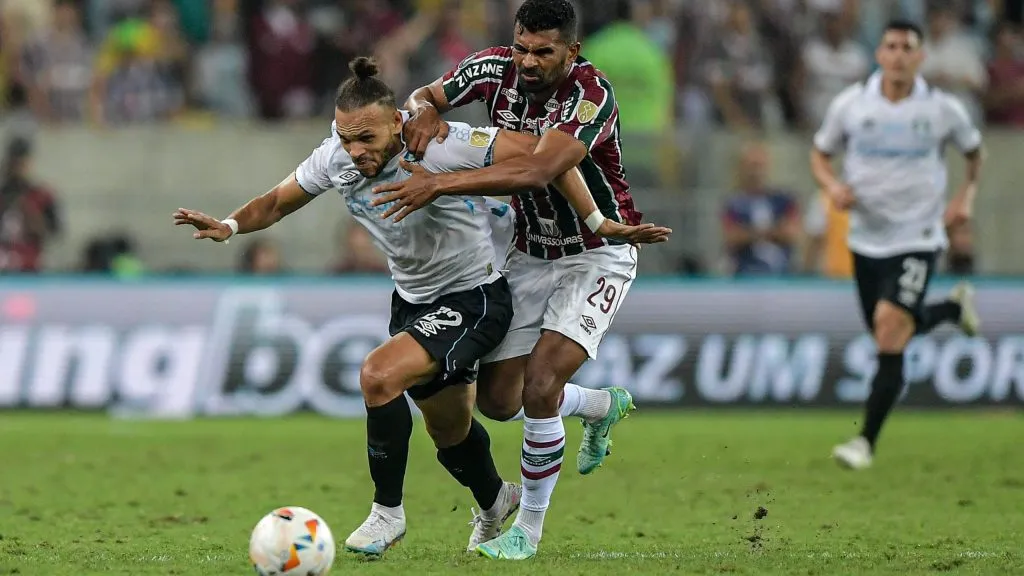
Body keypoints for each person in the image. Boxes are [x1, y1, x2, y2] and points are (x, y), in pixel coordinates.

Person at [173, 56, 665, 557]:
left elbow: (545, 160)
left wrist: (597, 219)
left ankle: (387, 514)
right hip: (412, 302)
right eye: (346, 138)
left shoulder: (445, 144)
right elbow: (277, 201)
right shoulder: (335, 160)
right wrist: (230, 227)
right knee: (456, 425)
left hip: (475, 297)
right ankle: (500, 499)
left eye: (366, 139)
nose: (355, 151)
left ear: (396, 122)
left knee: (378, 375)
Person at [372, 0, 672, 559]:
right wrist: (424, 111)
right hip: (529, 252)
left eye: (543, 52)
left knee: (538, 386)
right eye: (522, 49)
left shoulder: (591, 95)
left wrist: (440, 184)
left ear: (571, 51)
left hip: (598, 250)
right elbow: (423, 96)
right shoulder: (492, 69)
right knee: (499, 401)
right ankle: (599, 406)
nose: (528, 62)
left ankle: (526, 533)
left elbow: (539, 168)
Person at [809, 20, 983, 471]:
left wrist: (966, 196)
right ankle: (950, 310)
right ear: (879, 55)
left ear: (921, 57)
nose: (900, 54)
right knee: (889, 328)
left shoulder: (943, 109)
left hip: (919, 236)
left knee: (890, 329)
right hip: (867, 239)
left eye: (909, 47)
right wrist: (831, 187)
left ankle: (864, 441)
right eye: (891, 46)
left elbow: (974, 151)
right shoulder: (851, 104)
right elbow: (820, 153)